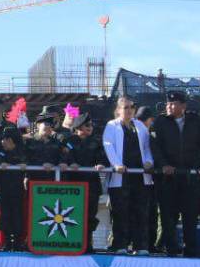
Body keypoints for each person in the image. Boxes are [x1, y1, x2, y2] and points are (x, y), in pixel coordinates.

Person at [150, 90, 200, 257]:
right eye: (168, 103)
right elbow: (155, 147)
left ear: (183, 105)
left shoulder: (195, 120)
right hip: (168, 177)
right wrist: (163, 165)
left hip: (190, 176)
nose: (169, 106)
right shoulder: (160, 122)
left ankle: (190, 250)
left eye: (173, 103)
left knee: (190, 215)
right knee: (168, 216)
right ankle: (171, 250)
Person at [102, 96, 154, 255]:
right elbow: (108, 145)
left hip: (139, 176)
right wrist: (116, 164)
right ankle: (120, 245)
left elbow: (147, 147)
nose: (130, 110)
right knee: (121, 212)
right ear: (118, 110)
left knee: (141, 212)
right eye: (126, 107)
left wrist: (148, 162)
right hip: (121, 176)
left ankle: (141, 245)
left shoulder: (140, 126)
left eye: (132, 107)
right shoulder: (112, 126)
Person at [0, 96, 27, 250]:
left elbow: (22, 152)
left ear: (1, 109)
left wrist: (11, 151)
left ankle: (13, 240)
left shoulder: (11, 128)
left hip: (8, 173)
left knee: (12, 205)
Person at [62, 113, 106, 252]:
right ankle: (72, 242)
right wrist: (71, 162)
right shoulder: (69, 140)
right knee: (72, 214)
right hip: (74, 184)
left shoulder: (96, 142)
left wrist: (101, 163)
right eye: (87, 125)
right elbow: (65, 155)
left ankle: (88, 242)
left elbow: (102, 157)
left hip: (91, 184)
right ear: (78, 127)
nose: (90, 127)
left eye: (91, 125)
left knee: (90, 214)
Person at [135, 105, 161, 251]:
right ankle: (147, 244)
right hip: (143, 181)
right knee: (147, 214)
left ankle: (146, 244)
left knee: (146, 214)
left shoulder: (148, 135)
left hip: (146, 181)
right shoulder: (145, 133)